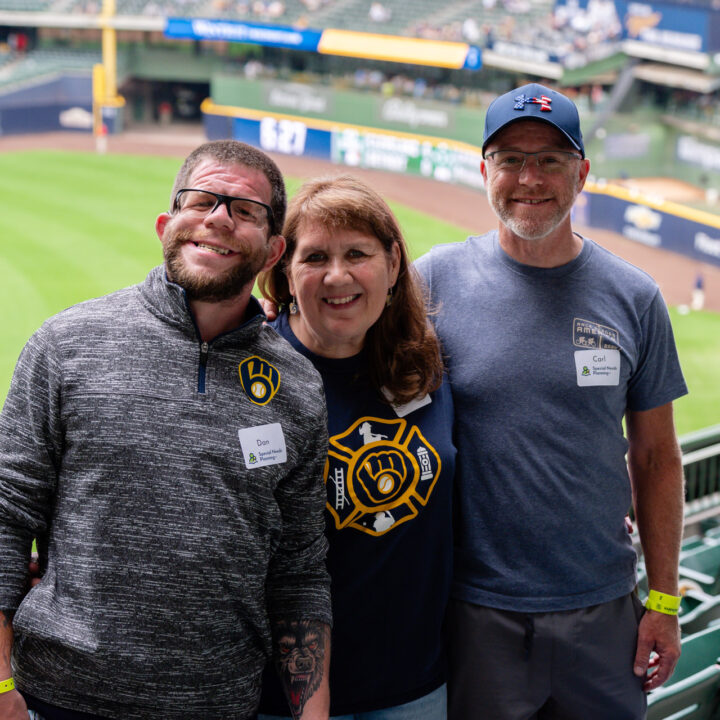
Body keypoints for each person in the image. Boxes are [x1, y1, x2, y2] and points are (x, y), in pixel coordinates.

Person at [0, 140, 332, 720]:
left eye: (245, 209)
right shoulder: (66, 345)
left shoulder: (298, 386)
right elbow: (6, 517)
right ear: (167, 224)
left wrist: (312, 714)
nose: (219, 217)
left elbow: (299, 570)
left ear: (274, 249)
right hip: (56, 700)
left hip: (218, 705)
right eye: (200, 199)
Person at [415, 83, 688, 719]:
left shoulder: (636, 296)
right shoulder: (432, 281)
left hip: (603, 612)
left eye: (550, 160)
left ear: (582, 173)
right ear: (485, 170)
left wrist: (666, 603)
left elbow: (656, 458)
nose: (528, 178)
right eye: (510, 159)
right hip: (475, 613)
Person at [255, 175, 456, 719]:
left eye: (357, 254)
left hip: (414, 688)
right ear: (284, 272)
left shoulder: (427, 366)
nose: (337, 275)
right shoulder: (249, 374)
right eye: (315, 256)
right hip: (278, 699)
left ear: (393, 265)